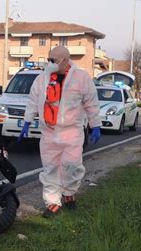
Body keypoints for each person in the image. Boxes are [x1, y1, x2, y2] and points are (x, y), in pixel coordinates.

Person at [18, 46, 101, 218]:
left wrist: (95, 125)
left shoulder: (81, 78)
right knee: (50, 169)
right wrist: (27, 121)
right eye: (49, 59)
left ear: (65, 60)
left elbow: (91, 103)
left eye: (53, 60)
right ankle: (53, 203)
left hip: (72, 132)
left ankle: (69, 192)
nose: (49, 63)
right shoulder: (42, 79)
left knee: (71, 166)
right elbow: (33, 100)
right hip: (48, 132)